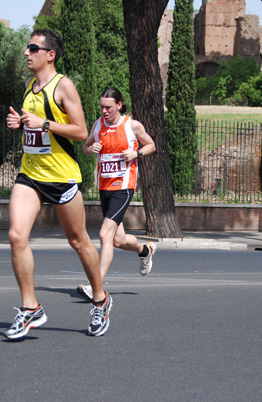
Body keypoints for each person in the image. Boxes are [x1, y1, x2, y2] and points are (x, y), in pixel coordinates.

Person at [4, 29, 110, 339]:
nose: (27, 52)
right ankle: (30, 309)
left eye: (33, 48)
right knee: (15, 235)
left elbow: (80, 132)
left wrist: (45, 123)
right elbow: (34, 128)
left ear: (50, 54)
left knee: (78, 242)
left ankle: (101, 300)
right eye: (27, 47)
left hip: (62, 177)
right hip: (31, 174)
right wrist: (20, 124)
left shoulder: (63, 86)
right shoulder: (29, 87)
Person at [75, 87, 157, 302]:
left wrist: (136, 153)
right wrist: (90, 150)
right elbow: (85, 147)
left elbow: (151, 145)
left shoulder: (132, 125)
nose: (104, 111)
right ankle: (145, 250)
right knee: (118, 240)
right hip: (105, 187)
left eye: (108, 107)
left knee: (105, 235)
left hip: (123, 187)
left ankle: (96, 287)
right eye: (102, 107)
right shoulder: (98, 125)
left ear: (119, 105)